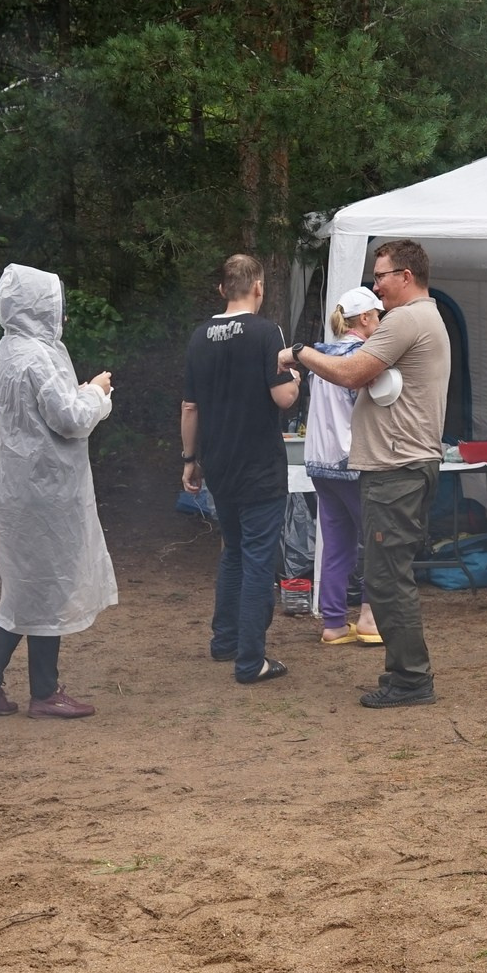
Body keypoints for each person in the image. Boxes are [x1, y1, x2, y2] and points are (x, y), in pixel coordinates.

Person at [284, 238, 452, 709]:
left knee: (387, 577)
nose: (375, 287)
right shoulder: (422, 318)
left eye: (381, 276)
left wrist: (300, 352)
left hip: (396, 467)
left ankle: (412, 680)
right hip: (399, 464)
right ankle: (405, 676)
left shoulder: (406, 320)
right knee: (384, 574)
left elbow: (352, 371)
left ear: (406, 275)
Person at [0, 265, 117, 719]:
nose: (61, 313)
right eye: (55, 303)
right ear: (39, 306)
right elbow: (69, 418)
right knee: (47, 588)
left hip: (10, 492)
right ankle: (44, 692)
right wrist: (96, 391)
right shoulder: (39, 357)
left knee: (25, 588)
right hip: (47, 490)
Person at [181, 254, 300, 685]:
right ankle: (251, 661)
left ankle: (224, 640)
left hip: (219, 466)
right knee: (257, 559)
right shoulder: (267, 332)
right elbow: (284, 398)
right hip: (261, 467)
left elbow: (190, 405)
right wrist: (297, 379)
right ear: (259, 288)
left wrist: (190, 460)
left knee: (232, 551)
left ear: (221, 290)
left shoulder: (199, 337)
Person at [302, 287, 384, 646]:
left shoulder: (318, 357)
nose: (381, 323)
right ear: (364, 319)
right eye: (378, 316)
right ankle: (369, 616)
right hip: (353, 460)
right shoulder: (362, 357)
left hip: (320, 461)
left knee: (336, 544)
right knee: (379, 540)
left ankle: (333, 622)